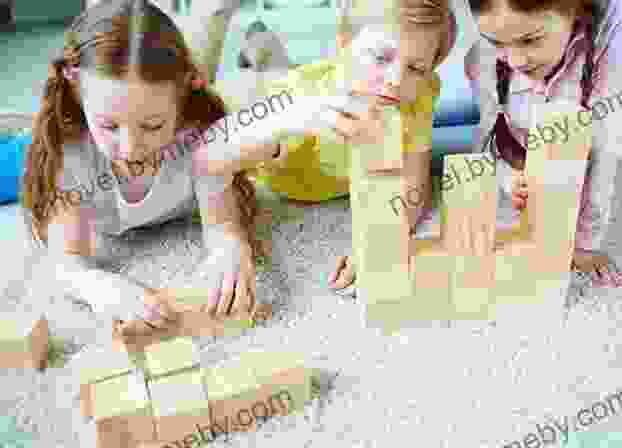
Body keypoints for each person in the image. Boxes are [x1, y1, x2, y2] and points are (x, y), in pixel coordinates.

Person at [20, 0, 270, 342]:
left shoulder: (203, 136)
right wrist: (98, 286)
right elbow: (65, 263)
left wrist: (230, 246)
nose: (130, 148)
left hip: (201, 96)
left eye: (152, 126)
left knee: (269, 88)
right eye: (108, 125)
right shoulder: (69, 148)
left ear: (182, 96)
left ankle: (264, 47)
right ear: (77, 91)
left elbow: (223, 226)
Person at [203, 0, 457, 296]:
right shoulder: (296, 99)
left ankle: (267, 49)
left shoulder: (420, 93)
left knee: (282, 66)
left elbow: (415, 184)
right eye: (381, 57)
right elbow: (216, 160)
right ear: (343, 42)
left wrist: (383, 237)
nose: (396, 81)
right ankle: (262, 47)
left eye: (416, 67)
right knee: (274, 75)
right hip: (287, 171)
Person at [465, 0, 622, 287]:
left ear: (577, 11)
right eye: (497, 41)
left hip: (588, 98)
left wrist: (584, 243)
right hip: (522, 126)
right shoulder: (484, 59)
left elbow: (607, 148)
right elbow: (487, 136)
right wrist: (506, 177)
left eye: (530, 39)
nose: (516, 60)